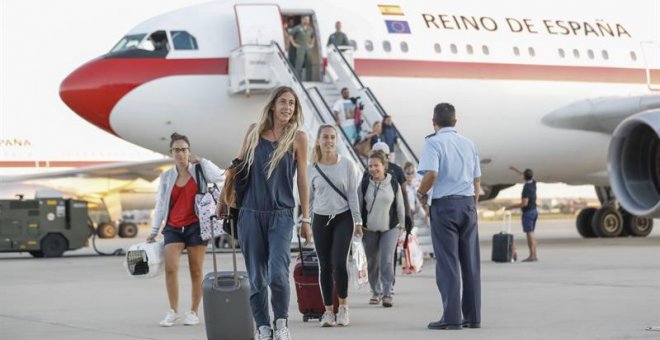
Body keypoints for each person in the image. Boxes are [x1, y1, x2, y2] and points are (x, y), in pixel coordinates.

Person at [217, 86, 312, 340]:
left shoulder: (298, 138)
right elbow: (236, 168)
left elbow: (302, 178)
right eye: (283, 102)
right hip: (250, 213)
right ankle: (263, 326)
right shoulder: (254, 132)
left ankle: (281, 323)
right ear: (272, 105)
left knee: (278, 274)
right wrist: (222, 201)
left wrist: (306, 217)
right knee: (257, 277)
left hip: (281, 214)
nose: (288, 107)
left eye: (292, 104)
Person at [147, 132, 223, 327]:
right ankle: (173, 311)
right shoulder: (166, 177)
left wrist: (203, 161)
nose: (180, 154)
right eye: (177, 150)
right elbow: (161, 203)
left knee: (196, 270)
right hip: (173, 226)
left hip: (195, 225)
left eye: (184, 150)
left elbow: (220, 176)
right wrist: (155, 230)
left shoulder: (199, 171)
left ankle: (194, 312)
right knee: (171, 268)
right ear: (171, 152)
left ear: (189, 151)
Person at [417, 103, 481, 330]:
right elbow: (476, 180)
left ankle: (452, 317)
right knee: (470, 263)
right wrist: (473, 206)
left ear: (434, 123)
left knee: (448, 264)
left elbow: (431, 173)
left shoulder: (433, 143)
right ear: (456, 122)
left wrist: (421, 193)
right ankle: (473, 317)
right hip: (467, 205)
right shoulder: (469, 144)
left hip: (445, 207)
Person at [308, 124, 363, 327]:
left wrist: (358, 220)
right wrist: (307, 222)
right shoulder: (311, 167)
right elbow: (309, 199)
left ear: (336, 140)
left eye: (332, 137)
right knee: (325, 266)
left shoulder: (347, 165)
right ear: (318, 140)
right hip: (321, 219)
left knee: (339, 263)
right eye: (325, 137)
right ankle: (328, 311)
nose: (329, 141)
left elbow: (352, 196)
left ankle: (344, 308)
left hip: (343, 217)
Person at [359, 150, 405, 308]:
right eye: (370, 166)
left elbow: (400, 206)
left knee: (386, 260)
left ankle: (387, 293)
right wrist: (357, 225)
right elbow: (358, 206)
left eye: (376, 165)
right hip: (369, 229)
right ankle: (375, 292)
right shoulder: (365, 183)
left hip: (389, 228)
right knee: (372, 262)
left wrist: (402, 225)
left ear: (384, 166)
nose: (373, 169)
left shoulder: (393, 183)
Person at [369, 142, 411, 295]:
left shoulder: (397, 170)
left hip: (391, 221)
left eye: (381, 152)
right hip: (372, 222)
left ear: (387, 155)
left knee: (388, 257)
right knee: (373, 259)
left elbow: (404, 193)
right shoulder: (369, 172)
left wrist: (407, 215)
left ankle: (388, 287)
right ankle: (376, 288)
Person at [506, 166, 538, 262]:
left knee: (529, 234)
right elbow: (525, 175)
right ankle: (534, 255)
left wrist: (510, 207)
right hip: (534, 211)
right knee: (532, 233)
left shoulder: (526, 188)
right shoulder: (533, 183)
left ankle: (532, 256)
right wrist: (515, 169)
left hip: (528, 212)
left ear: (524, 176)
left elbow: (524, 203)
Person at [289, 15, 315, 81]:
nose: (307, 21)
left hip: (308, 48)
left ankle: (309, 80)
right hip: (300, 48)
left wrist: (312, 44)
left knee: (309, 64)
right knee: (299, 64)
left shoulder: (310, 29)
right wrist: (294, 44)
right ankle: (298, 79)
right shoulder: (297, 28)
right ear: (302, 20)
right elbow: (290, 35)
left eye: (308, 20)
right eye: (305, 19)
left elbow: (313, 36)